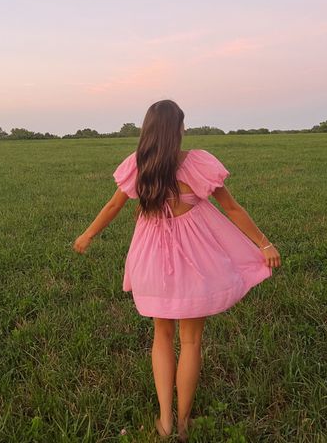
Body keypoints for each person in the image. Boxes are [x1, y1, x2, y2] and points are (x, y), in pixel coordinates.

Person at [73, 99, 281, 441]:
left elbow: (113, 205)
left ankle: (165, 422)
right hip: (196, 264)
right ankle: (183, 424)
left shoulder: (138, 167)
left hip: (151, 262)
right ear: (178, 129)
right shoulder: (197, 163)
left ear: (148, 130)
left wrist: (87, 235)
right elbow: (231, 207)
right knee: (192, 340)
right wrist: (264, 243)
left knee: (162, 336)